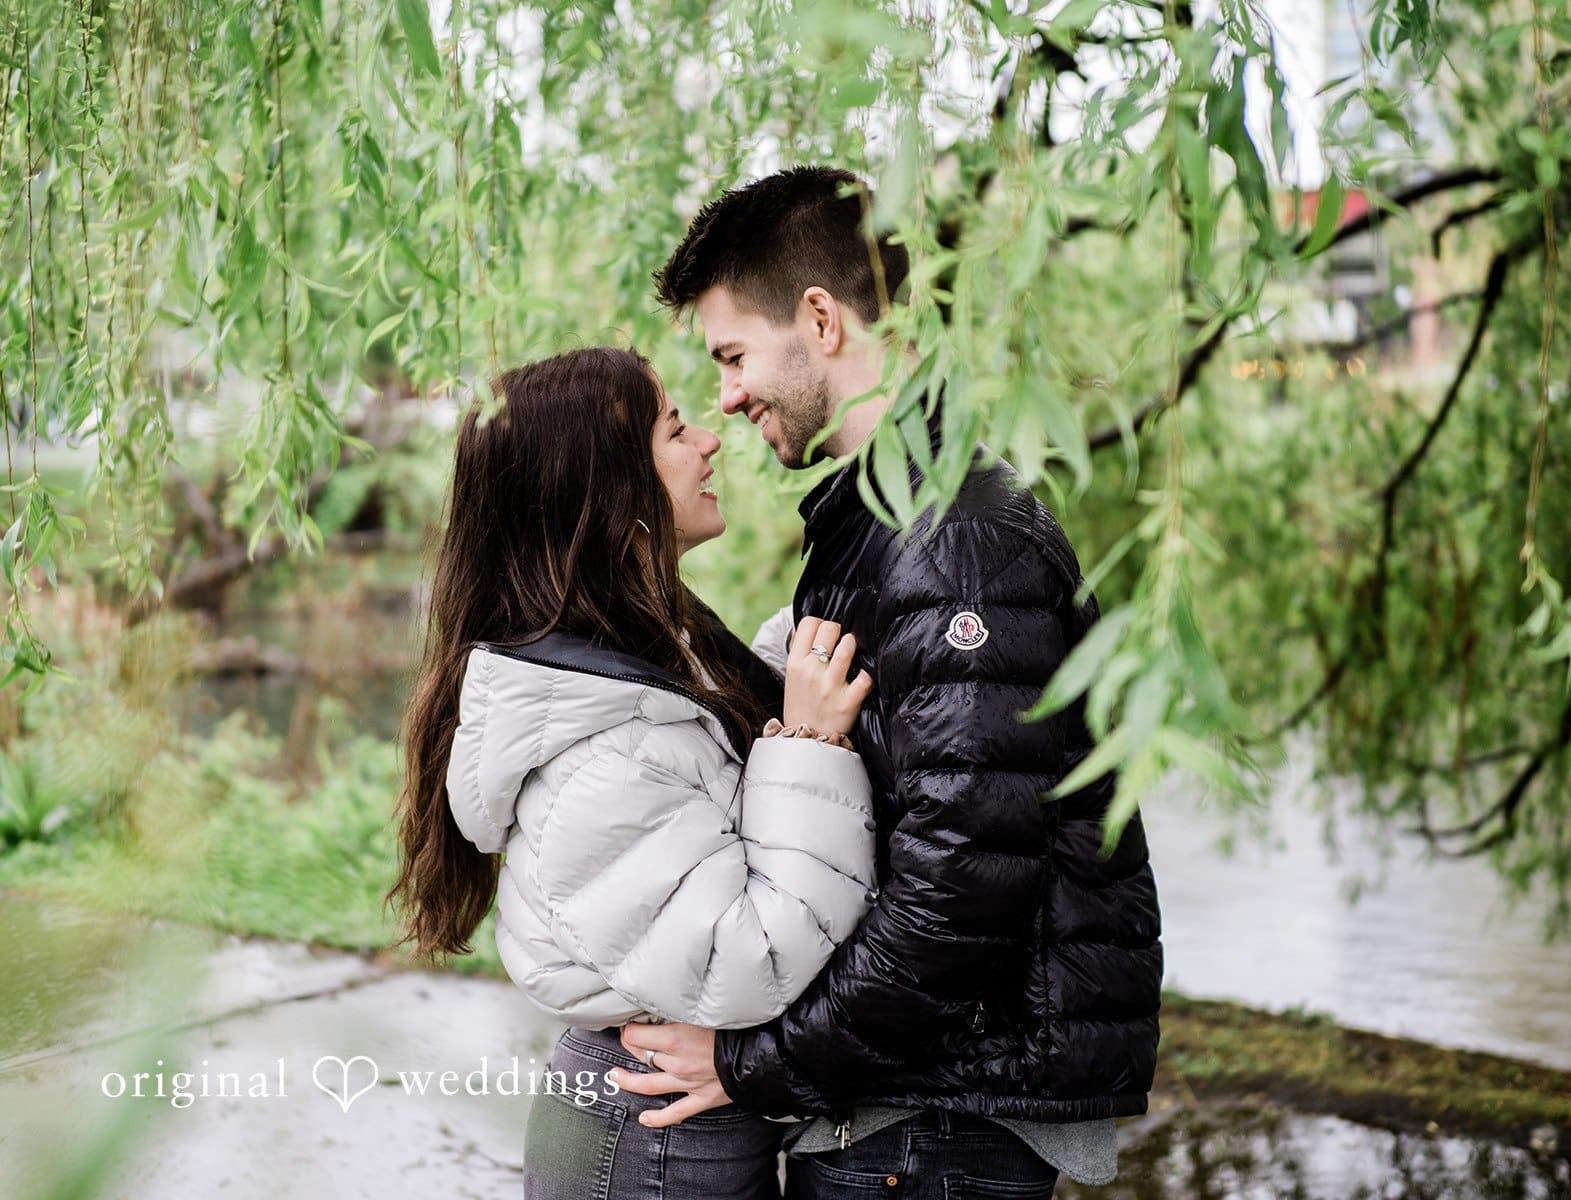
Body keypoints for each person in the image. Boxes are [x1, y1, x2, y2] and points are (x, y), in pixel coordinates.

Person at [607, 167, 1164, 1195]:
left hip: (935, 1123)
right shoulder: (888, 524)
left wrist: (749, 1064)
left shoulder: (952, 543)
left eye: (732, 355)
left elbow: (960, 893)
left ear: (819, 319)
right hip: (909, 1110)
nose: (726, 398)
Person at [387, 346, 880, 1199]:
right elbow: (751, 960)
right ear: (609, 491)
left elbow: (728, 734)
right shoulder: (597, 755)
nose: (710, 442)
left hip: (673, 1131)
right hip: (649, 1147)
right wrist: (810, 743)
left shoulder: (643, 659)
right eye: (675, 428)